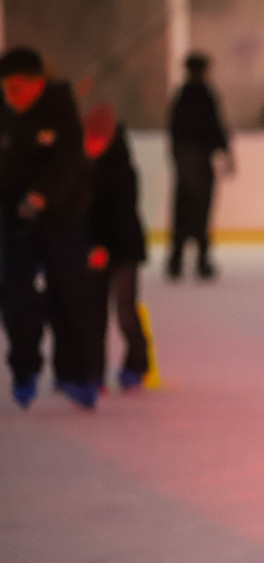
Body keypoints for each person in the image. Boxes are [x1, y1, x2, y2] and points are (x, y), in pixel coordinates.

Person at [0, 46, 98, 409]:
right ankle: (24, 369)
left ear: (39, 83)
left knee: (70, 295)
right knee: (17, 299)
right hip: (14, 220)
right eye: (8, 87)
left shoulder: (60, 106)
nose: (15, 95)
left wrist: (42, 196)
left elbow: (70, 161)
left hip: (62, 217)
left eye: (22, 86)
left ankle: (75, 373)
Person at [82, 103, 149, 390]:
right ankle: (93, 372)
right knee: (93, 315)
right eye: (89, 139)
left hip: (123, 250)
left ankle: (137, 363)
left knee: (125, 311)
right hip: (92, 251)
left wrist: (103, 246)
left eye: (99, 140)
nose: (93, 145)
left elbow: (120, 215)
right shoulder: (77, 168)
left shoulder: (123, 171)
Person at [167, 52, 233, 280]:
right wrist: (225, 152)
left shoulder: (183, 96)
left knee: (183, 211)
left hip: (186, 161)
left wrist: (177, 158)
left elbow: (174, 131)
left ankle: (177, 260)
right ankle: (199, 260)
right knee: (199, 211)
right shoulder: (204, 95)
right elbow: (215, 127)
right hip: (199, 162)